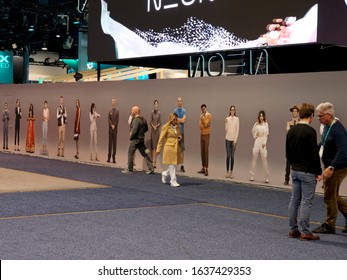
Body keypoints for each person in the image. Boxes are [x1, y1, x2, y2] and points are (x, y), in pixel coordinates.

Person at [286, 103, 321, 241]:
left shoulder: (291, 131)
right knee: (306, 202)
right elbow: (314, 154)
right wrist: (318, 171)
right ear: (311, 115)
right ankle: (305, 231)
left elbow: (287, 153)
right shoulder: (310, 132)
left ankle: (293, 229)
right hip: (307, 172)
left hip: (294, 170)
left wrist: (293, 166)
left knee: (294, 200)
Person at [312, 102, 347, 234]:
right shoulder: (327, 126)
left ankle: (329, 225)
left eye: (320, 116)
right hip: (331, 165)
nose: (318, 118)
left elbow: (344, 151)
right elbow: (325, 142)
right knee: (333, 195)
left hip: (339, 167)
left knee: (329, 196)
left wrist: (331, 167)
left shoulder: (338, 130)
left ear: (329, 115)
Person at [122, 106, 154, 174]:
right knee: (145, 153)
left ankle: (130, 169)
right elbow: (146, 129)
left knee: (130, 153)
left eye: (132, 110)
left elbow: (134, 131)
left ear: (136, 111)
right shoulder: (143, 119)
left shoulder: (136, 120)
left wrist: (131, 136)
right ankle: (151, 167)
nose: (131, 111)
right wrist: (141, 133)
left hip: (135, 141)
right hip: (141, 141)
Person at [156, 113, 183, 187]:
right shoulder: (166, 127)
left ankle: (165, 174)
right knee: (171, 164)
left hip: (176, 148)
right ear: (170, 119)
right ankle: (173, 181)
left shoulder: (178, 127)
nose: (175, 121)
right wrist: (158, 149)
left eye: (176, 119)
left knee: (174, 165)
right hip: (169, 148)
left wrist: (180, 138)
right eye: (174, 119)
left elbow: (179, 135)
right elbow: (161, 139)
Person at [250, 110, 270, 183]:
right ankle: (252, 174)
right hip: (257, 140)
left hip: (263, 141)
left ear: (264, 116)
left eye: (262, 116)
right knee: (254, 157)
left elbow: (267, 133)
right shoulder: (256, 124)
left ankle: (267, 176)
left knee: (264, 159)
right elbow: (253, 131)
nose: (261, 117)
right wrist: (255, 136)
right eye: (260, 115)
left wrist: (264, 142)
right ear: (259, 116)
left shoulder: (266, 124)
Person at [284, 105, 300, 185]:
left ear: (298, 113)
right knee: (288, 164)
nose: (294, 113)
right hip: (290, 145)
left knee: (297, 164)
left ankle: (296, 180)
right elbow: (287, 133)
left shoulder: (300, 123)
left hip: (297, 146)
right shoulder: (289, 123)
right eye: (293, 111)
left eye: (296, 111)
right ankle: (286, 178)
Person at [225, 105, 239, 178]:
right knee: (228, 155)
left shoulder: (237, 119)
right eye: (231, 110)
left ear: (235, 111)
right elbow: (226, 129)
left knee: (232, 156)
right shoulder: (227, 118)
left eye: (233, 110)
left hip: (233, 140)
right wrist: (226, 123)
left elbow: (237, 131)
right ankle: (227, 171)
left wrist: (235, 140)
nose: (232, 111)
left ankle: (231, 172)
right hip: (227, 139)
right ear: (229, 111)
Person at [198, 104, 212, 176]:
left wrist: (203, 120)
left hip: (207, 134)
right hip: (202, 134)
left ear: (206, 108)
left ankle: (206, 168)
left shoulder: (209, 115)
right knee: (202, 151)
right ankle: (203, 167)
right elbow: (200, 126)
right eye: (202, 109)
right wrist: (203, 123)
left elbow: (206, 124)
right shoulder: (201, 116)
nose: (203, 110)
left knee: (206, 151)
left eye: (204, 109)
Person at [174, 97, 187, 172]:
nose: (179, 102)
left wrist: (178, 119)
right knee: (175, 149)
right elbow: (174, 121)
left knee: (182, 149)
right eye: (178, 101)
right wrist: (180, 119)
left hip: (181, 132)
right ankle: (175, 164)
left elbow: (184, 120)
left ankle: (182, 165)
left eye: (180, 101)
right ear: (177, 102)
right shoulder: (175, 110)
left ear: (182, 102)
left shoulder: (184, 110)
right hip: (175, 132)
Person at [107, 97, 119, 163]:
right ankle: (108, 158)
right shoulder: (109, 110)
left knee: (114, 144)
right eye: (112, 101)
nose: (113, 102)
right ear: (111, 102)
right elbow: (108, 119)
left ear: (115, 102)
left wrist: (114, 125)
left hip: (115, 129)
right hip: (110, 129)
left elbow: (117, 120)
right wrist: (111, 125)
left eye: (114, 101)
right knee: (110, 144)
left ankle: (113, 158)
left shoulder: (117, 111)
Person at [150, 99, 161, 169]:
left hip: (157, 131)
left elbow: (160, 122)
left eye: (157, 104)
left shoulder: (159, 113)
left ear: (158, 105)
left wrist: (156, 126)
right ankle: (152, 161)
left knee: (156, 147)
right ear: (154, 105)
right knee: (152, 147)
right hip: (152, 131)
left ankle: (155, 162)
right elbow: (150, 121)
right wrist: (153, 126)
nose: (156, 105)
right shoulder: (152, 112)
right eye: (155, 104)